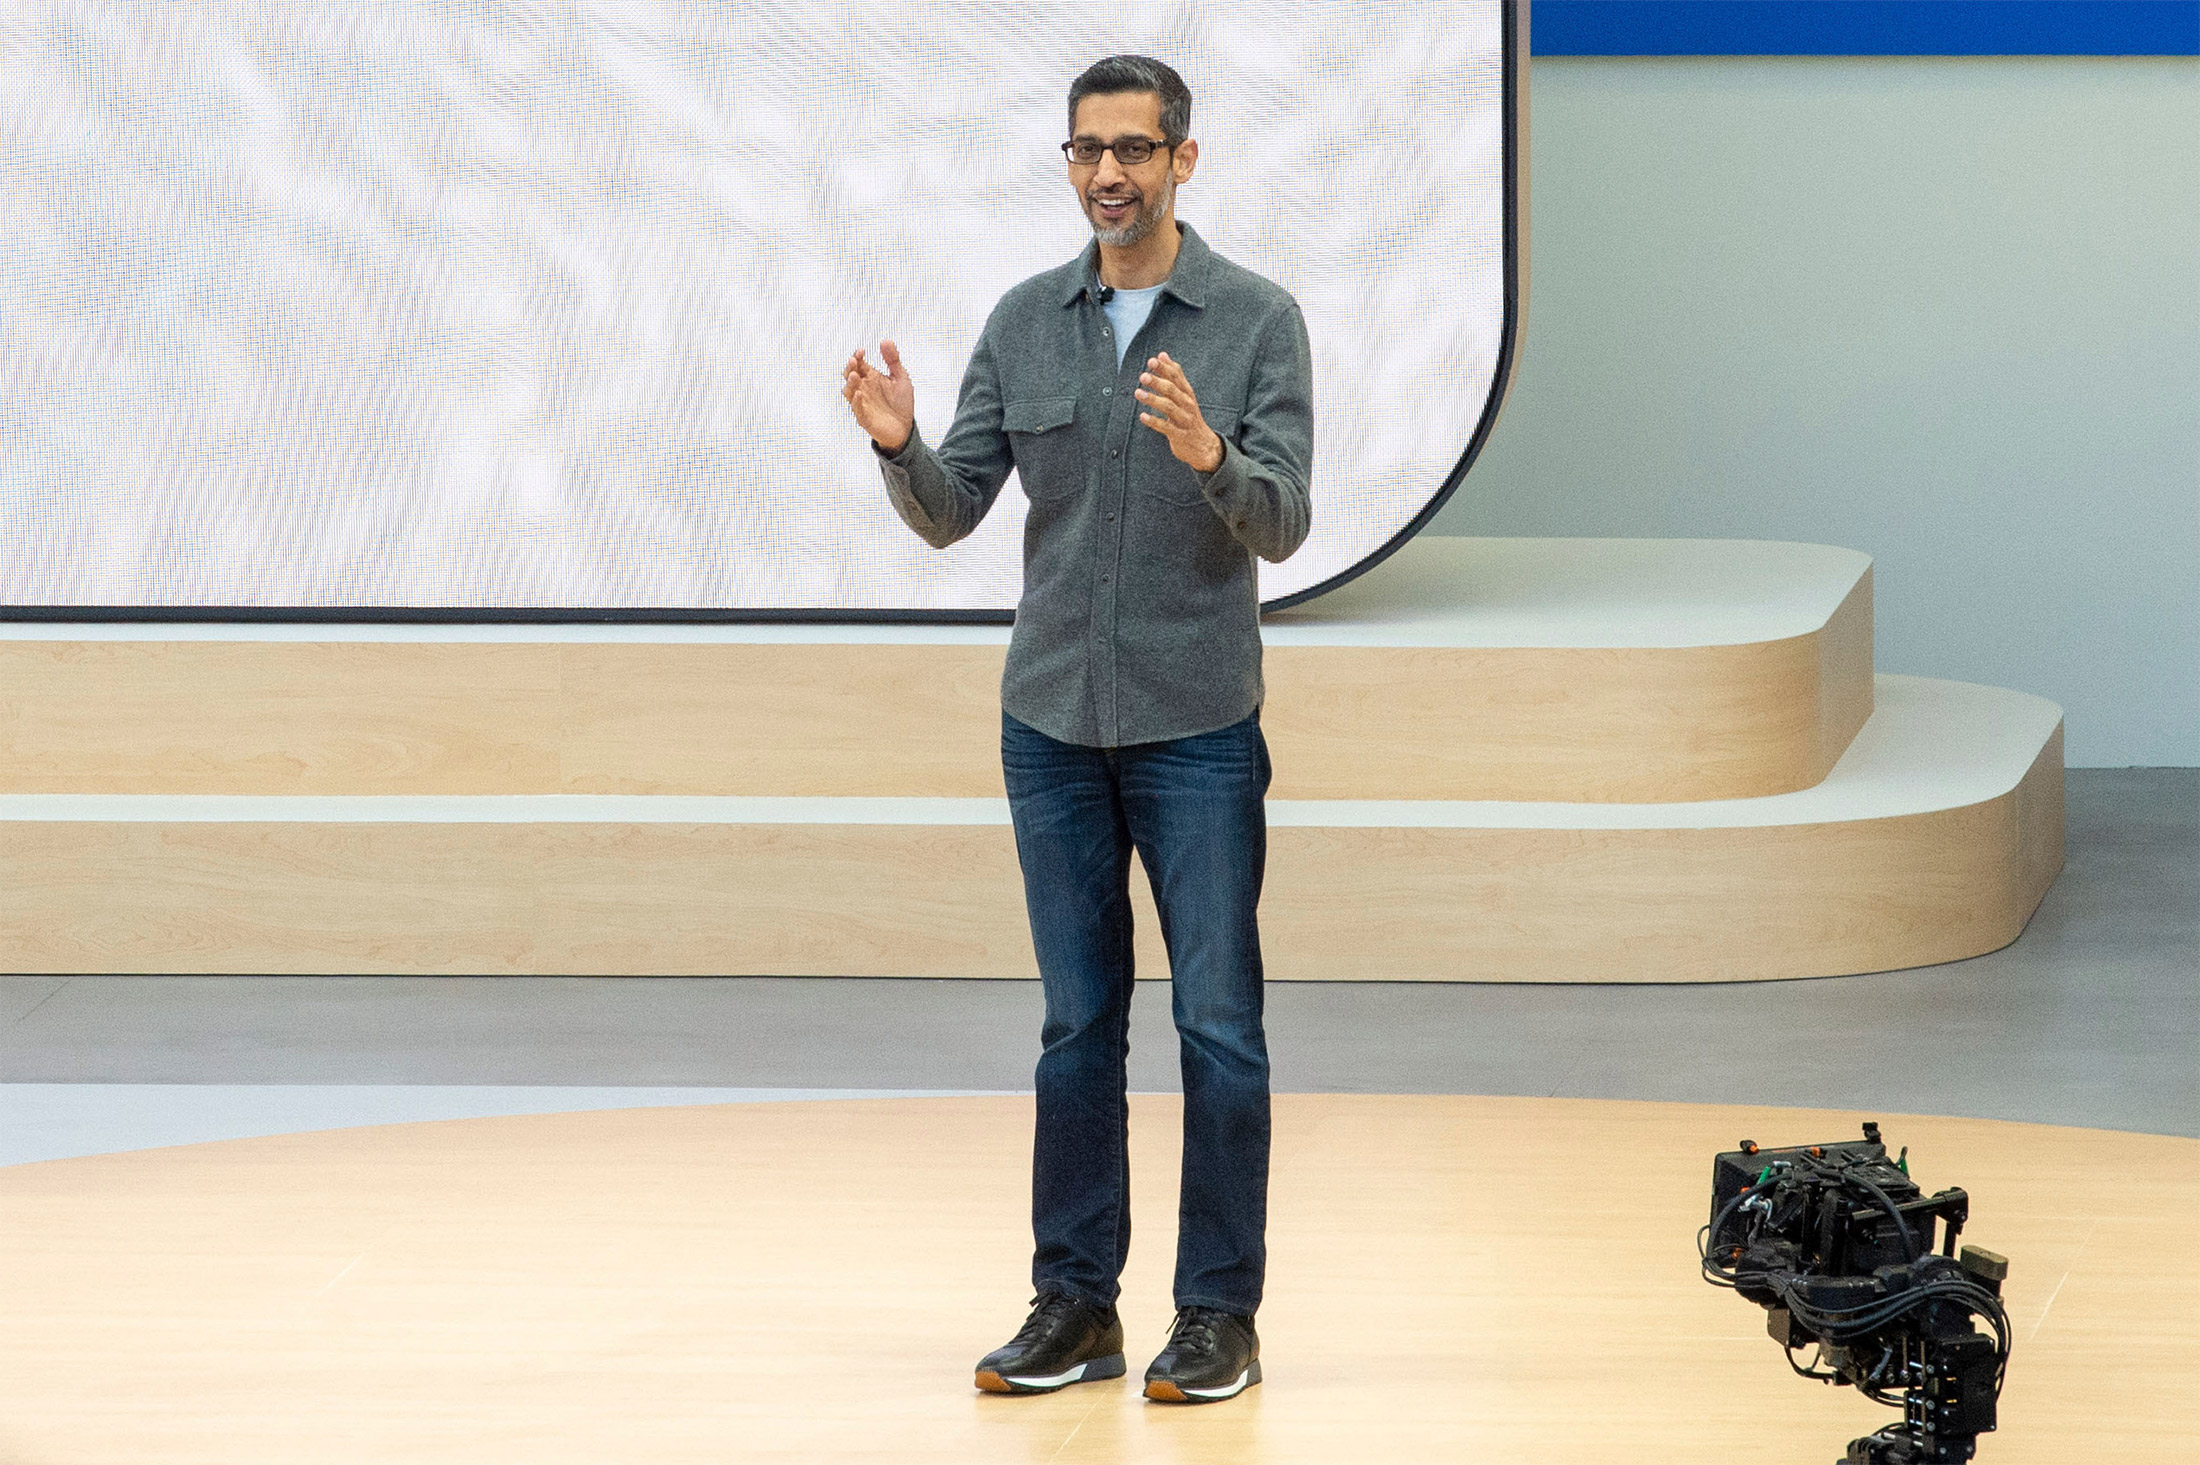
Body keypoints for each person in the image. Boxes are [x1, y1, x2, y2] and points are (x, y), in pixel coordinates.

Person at [841, 53, 1312, 1405]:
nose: (1109, 173)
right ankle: (1077, 1303)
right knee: (1076, 1027)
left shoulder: (1257, 321)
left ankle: (1218, 1315)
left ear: (1182, 160)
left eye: (1134, 150)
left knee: (1218, 1026)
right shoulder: (1025, 321)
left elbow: (1286, 522)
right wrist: (898, 445)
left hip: (1197, 726)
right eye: (1087, 150)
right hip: (1050, 726)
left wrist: (1212, 457)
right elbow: (954, 509)